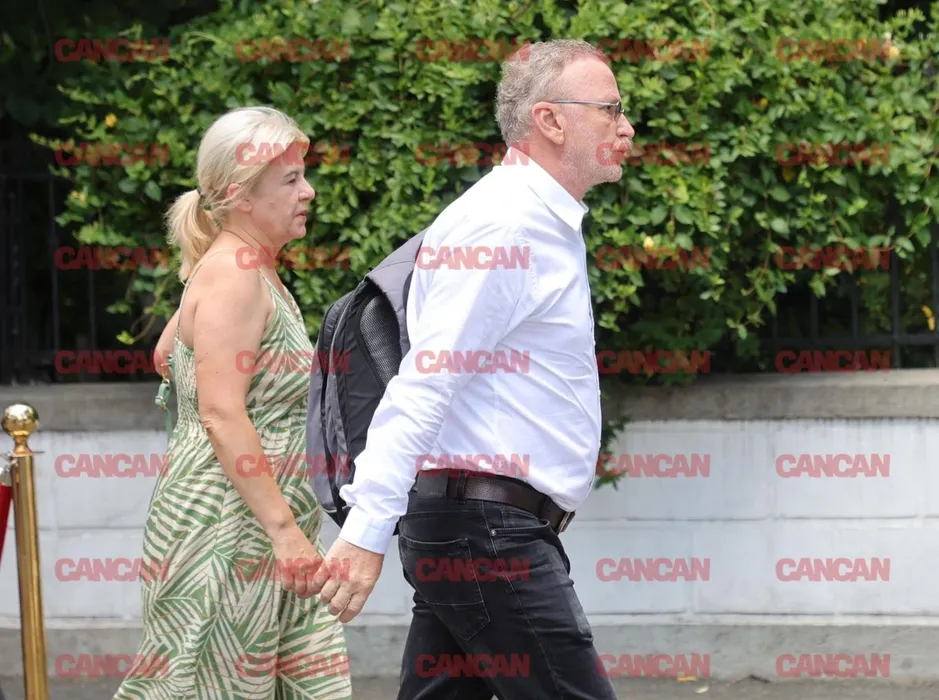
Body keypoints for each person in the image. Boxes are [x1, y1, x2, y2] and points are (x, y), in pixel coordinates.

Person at [310, 39, 635, 699]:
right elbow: (426, 381)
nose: (625, 128)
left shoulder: (531, 220)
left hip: (477, 529)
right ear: (550, 120)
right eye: (609, 109)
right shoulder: (507, 227)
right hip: (488, 537)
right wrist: (366, 531)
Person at [115, 106, 352, 699]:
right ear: (240, 196)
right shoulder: (234, 275)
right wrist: (285, 533)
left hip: (252, 521)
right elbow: (221, 412)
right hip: (229, 528)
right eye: (291, 180)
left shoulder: (236, 267)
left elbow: (167, 353)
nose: (308, 191)